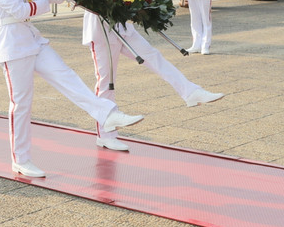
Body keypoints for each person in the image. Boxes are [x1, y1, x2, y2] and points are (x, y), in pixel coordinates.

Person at [0, 0, 144, 178]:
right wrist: (48, 0)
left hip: (32, 40)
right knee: (21, 105)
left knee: (67, 76)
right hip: (13, 46)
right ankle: (21, 160)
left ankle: (107, 114)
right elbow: (23, 11)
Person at [83, 11, 224, 151]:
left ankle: (191, 92)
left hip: (123, 26)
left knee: (154, 57)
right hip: (101, 31)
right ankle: (106, 135)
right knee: (107, 81)